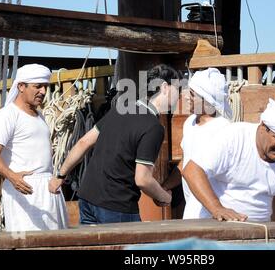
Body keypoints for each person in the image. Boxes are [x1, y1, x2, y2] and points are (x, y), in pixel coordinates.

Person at [49, 64, 181, 224]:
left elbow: (83, 142)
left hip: (87, 198)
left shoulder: (121, 108)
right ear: (165, 87)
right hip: (117, 205)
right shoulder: (154, 127)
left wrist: (60, 176)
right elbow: (143, 179)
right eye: (178, 89)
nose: (179, 95)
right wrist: (164, 196)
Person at [183, 98, 275, 238]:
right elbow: (192, 170)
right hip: (213, 231)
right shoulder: (234, 137)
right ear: (263, 126)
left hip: (260, 236)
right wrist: (217, 208)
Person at [0, 64, 68, 232]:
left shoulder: (40, 116)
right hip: (24, 191)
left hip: (49, 188)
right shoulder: (7, 115)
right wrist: (12, 177)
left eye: (45, 86)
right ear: (21, 86)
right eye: (37, 86)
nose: (43, 91)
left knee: (56, 242)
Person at [160, 68, 232, 219]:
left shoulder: (224, 128)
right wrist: (165, 187)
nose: (187, 98)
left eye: (192, 95)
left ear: (208, 99)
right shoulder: (189, 123)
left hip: (213, 214)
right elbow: (186, 162)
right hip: (191, 210)